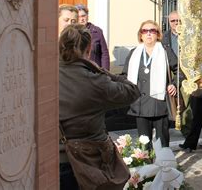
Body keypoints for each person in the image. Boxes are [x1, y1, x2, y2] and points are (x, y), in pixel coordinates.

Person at [59, 24, 141, 190]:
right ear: (88, 50)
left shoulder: (46, 73)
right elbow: (132, 91)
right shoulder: (95, 80)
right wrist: (101, 71)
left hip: (54, 159)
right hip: (89, 162)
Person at [122, 20, 177, 147]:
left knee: (162, 142)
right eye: (145, 31)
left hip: (160, 103)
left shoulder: (165, 51)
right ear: (140, 35)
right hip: (140, 103)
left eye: (152, 31)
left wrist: (173, 84)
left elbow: (179, 70)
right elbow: (125, 76)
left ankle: (164, 165)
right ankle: (146, 165)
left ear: (157, 34)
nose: (148, 34)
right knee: (144, 142)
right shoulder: (133, 53)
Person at [75, 4, 110, 70]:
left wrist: (105, 72)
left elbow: (104, 54)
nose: (81, 19)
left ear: (87, 16)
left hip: (94, 71)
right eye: (78, 17)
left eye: (83, 16)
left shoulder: (97, 31)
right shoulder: (72, 32)